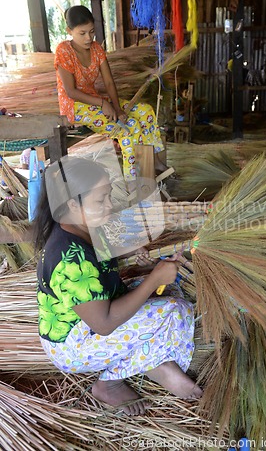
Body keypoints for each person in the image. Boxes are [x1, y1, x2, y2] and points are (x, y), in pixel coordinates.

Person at [34, 156, 202, 416]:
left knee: (170, 290)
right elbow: (104, 324)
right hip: (74, 344)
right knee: (174, 310)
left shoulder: (80, 226)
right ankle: (111, 382)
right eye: (101, 200)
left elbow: (104, 249)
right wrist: (153, 279)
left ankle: (151, 358)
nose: (110, 205)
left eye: (108, 196)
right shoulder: (68, 259)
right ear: (71, 204)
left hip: (92, 322)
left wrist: (136, 250)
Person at [54, 5, 167, 180]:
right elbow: (70, 91)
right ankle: (134, 183)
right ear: (69, 31)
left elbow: (108, 81)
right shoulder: (64, 51)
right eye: (82, 33)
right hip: (75, 107)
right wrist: (104, 104)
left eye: (91, 32)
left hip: (95, 99)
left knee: (145, 111)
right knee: (127, 132)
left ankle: (153, 161)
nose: (88, 38)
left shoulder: (97, 49)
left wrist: (117, 108)